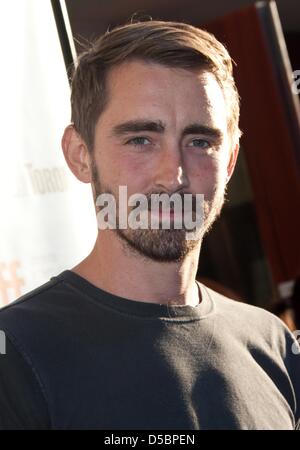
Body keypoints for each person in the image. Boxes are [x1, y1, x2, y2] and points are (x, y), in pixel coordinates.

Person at [0, 19, 299, 430]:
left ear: (229, 162)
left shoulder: (272, 344)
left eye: (200, 142)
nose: (172, 175)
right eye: (141, 139)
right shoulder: (15, 353)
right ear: (80, 154)